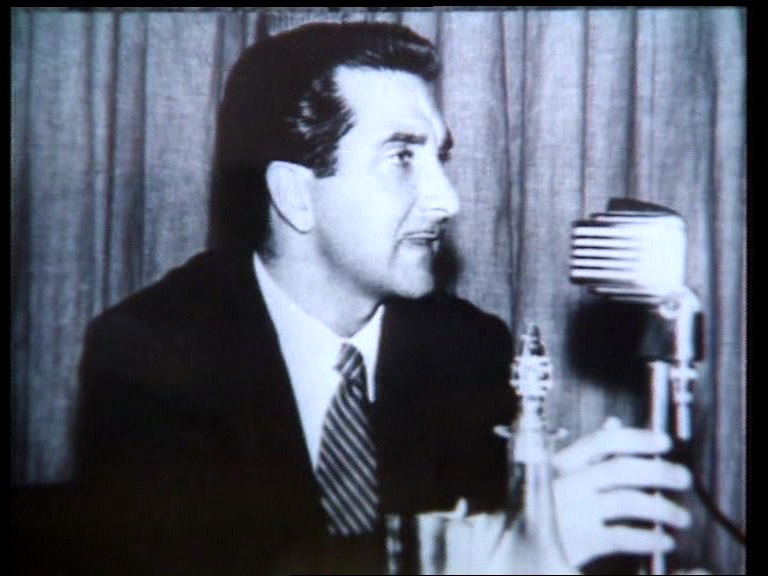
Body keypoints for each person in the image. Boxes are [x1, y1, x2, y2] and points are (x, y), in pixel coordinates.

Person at [70, 22, 692, 575]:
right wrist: (487, 552)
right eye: (402, 157)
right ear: (295, 195)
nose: (447, 199)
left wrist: (545, 518)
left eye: (439, 157)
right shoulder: (153, 353)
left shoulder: (468, 349)